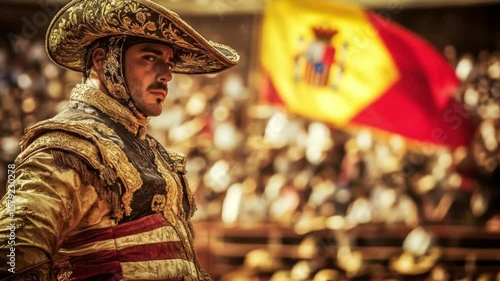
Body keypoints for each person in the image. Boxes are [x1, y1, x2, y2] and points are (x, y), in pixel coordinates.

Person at [0, 0, 239, 280]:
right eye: (150, 58)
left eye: (169, 63)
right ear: (103, 61)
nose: (166, 75)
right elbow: (12, 253)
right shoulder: (68, 145)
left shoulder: (145, 145)